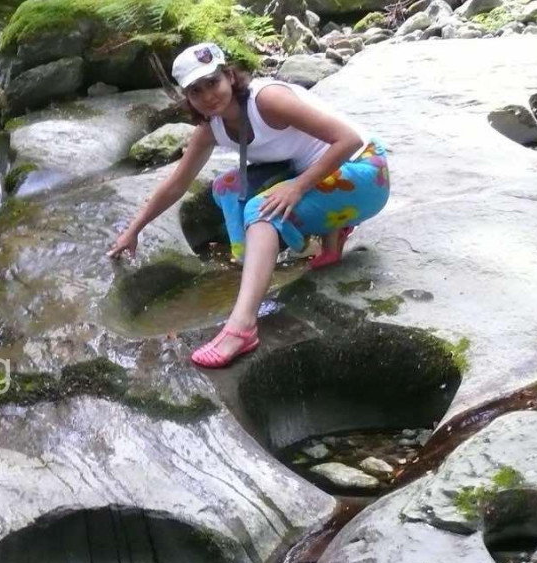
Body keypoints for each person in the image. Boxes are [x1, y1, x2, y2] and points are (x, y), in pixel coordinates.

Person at [106, 42, 389, 368]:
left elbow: (349, 139)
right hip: (325, 174)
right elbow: (176, 184)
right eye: (196, 91)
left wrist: (297, 188)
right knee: (227, 186)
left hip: (366, 172)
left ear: (229, 75)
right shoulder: (210, 128)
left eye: (213, 82)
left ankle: (242, 328)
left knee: (261, 210)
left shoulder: (267, 100)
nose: (209, 96)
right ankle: (274, 254)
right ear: (189, 99)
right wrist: (133, 230)